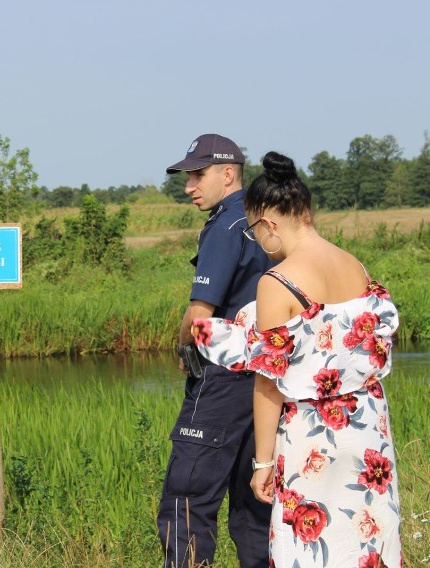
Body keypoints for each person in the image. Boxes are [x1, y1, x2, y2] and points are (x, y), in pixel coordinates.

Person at [192, 151, 401, 566]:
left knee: (308, 548)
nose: (258, 240)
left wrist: (263, 462)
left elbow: (269, 381)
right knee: (366, 543)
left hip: (312, 436)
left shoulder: (277, 282)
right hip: (368, 431)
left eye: (254, 230)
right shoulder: (354, 265)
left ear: (269, 223)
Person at [156, 134, 273, 567]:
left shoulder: (226, 226)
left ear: (228, 173)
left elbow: (199, 315)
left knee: (187, 502)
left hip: (223, 378)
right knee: (256, 506)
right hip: (269, 381)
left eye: (197, 174)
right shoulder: (266, 222)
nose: (189, 186)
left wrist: (183, 343)